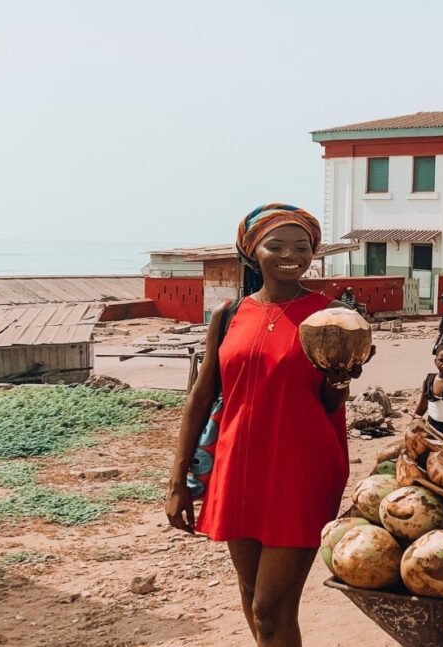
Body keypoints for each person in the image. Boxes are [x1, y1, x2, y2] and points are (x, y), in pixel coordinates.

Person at [165, 204, 375, 646]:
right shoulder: (228, 316)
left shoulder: (330, 316)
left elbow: (329, 402)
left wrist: (341, 379)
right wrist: (177, 480)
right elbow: (201, 396)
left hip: (300, 469)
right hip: (236, 468)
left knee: (270, 607)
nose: (290, 255)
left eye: (302, 247)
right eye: (275, 245)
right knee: (250, 596)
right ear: (251, 252)